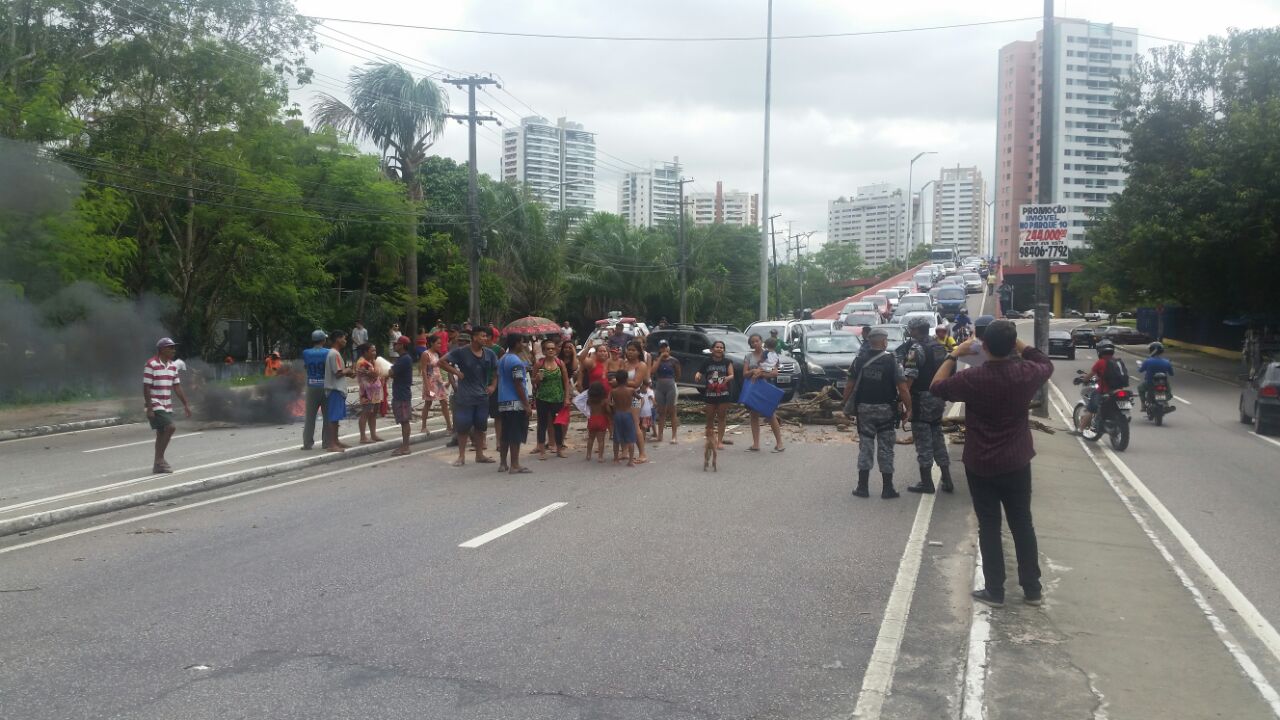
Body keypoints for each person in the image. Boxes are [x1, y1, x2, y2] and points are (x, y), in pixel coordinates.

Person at [931, 320, 1054, 607]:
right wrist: (1017, 343)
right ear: (1012, 346)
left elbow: (936, 387)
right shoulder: (1026, 373)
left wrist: (953, 354)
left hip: (981, 461)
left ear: (983, 346)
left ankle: (995, 590)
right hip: (1017, 459)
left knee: (989, 524)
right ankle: (1032, 588)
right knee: (1022, 522)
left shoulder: (973, 378)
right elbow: (1044, 361)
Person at [842, 326, 910, 498]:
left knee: (866, 446)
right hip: (886, 410)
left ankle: (862, 487)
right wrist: (909, 408)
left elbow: (849, 385)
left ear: (870, 342)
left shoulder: (859, 360)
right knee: (886, 449)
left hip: (864, 410)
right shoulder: (892, 361)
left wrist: (844, 405)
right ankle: (887, 488)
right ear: (884, 342)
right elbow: (902, 387)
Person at [897, 317, 954, 494]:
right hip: (938, 397)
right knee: (937, 436)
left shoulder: (916, 349)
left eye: (911, 329)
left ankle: (926, 483)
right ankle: (947, 478)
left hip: (921, 399)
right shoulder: (939, 347)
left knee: (923, 441)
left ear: (916, 331)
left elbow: (910, 377)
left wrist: (903, 400)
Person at [438, 327, 498, 467]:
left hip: (482, 396)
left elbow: (496, 370)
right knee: (463, 427)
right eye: (483, 336)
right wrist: (455, 372)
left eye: (486, 336)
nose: (485, 338)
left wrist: (493, 386)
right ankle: (461, 456)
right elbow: (441, 362)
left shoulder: (489, 354)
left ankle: (479, 455)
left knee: (480, 427)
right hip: (465, 397)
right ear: (475, 337)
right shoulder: (461, 352)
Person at [143, 337, 191, 473]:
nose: (173, 350)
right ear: (162, 349)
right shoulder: (151, 364)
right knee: (171, 427)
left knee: (161, 432)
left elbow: (177, 387)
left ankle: (157, 465)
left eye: (174, 347)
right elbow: (146, 387)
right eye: (171, 348)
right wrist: (149, 408)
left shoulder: (172, 366)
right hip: (155, 402)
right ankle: (160, 460)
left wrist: (186, 404)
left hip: (167, 403)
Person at [496, 333, 532, 474]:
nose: (524, 345)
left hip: (503, 401)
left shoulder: (503, 359)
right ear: (517, 343)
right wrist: (526, 404)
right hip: (515, 402)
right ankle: (515, 464)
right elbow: (518, 384)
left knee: (505, 434)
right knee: (515, 435)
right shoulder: (516, 362)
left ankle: (503, 463)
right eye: (522, 342)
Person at [532, 338, 572, 459]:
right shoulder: (539, 363)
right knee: (542, 424)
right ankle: (542, 451)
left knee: (557, 424)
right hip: (542, 398)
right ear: (544, 351)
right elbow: (533, 381)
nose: (550, 350)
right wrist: (537, 379)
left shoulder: (560, 363)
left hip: (557, 398)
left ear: (555, 350)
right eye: (548, 349)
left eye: (552, 348)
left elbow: (566, 381)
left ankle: (559, 449)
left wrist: (566, 397)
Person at [744, 333, 785, 453]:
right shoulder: (748, 356)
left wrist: (761, 373)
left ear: (761, 342)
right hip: (753, 388)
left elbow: (775, 373)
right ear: (750, 344)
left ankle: (780, 444)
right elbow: (744, 374)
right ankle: (756, 444)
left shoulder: (771, 355)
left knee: (770, 414)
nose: (755, 343)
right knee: (753, 415)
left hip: (766, 386)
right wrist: (753, 370)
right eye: (753, 342)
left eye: (757, 341)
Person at [1074, 339, 1125, 434]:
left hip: (1104, 390)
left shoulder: (1100, 362)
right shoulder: (1118, 361)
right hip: (1119, 390)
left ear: (1100, 351)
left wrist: (1082, 379)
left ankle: (1080, 430)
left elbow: (1089, 375)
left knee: (1091, 408)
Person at [695, 340, 734, 450]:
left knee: (722, 417)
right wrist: (697, 375)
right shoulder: (707, 362)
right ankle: (710, 440)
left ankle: (720, 441)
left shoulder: (727, 362)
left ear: (724, 350)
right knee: (709, 418)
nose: (719, 349)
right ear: (712, 349)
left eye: (721, 347)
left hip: (724, 393)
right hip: (710, 393)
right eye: (717, 347)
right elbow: (699, 372)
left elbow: (732, 375)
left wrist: (727, 378)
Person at [323, 330, 355, 453]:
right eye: (344, 338)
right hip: (335, 389)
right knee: (333, 417)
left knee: (336, 417)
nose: (345, 341)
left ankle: (336, 441)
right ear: (337, 339)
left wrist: (348, 373)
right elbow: (338, 373)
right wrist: (347, 371)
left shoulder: (334, 353)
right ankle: (332, 444)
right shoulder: (334, 354)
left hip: (337, 389)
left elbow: (339, 373)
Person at [622, 340, 651, 463]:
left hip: (636, 397)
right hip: (623, 397)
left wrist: (620, 381)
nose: (630, 352)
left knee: (635, 424)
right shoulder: (624, 364)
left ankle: (643, 454)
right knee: (624, 423)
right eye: (628, 349)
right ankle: (625, 451)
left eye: (633, 350)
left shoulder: (641, 365)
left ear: (639, 352)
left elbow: (636, 383)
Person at [419, 333, 452, 437]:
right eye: (438, 343)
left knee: (444, 403)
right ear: (432, 343)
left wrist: (445, 381)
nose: (440, 345)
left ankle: (449, 426)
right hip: (430, 382)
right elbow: (423, 370)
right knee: (428, 403)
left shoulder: (437, 354)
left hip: (438, 382)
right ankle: (423, 426)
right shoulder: (426, 354)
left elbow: (440, 368)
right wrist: (427, 386)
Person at [301, 330, 329, 450]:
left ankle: (307, 443)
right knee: (327, 416)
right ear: (323, 340)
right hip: (325, 385)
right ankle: (326, 442)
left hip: (311, 386)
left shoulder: (306, 352)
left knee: (310, 417)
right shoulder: (328, 352)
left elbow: (306, 367)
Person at [650, 340, 681, 444]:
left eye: (665, 347)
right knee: (661, 411)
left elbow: (678, 374)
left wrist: (673, 382)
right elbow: (652, 371)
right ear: (659, 349)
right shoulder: (656, 359)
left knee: (672, 411)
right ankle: (660, 435)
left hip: (670, 385)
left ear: (669, 348)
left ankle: (674, 436)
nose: (664, 349)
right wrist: (660, 358)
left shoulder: (674, 361)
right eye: (662, 348)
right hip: (659, 386)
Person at [389, 335, 415, 455]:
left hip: (402, 394)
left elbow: (392, 372)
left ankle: (405, 447)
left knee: (404, 421)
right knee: (403, 420)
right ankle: (405, 445)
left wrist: (388, 370)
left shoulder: (404, 359)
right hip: (400, 392)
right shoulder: (402, 358)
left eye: (397, 344)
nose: (395, 345)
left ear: (402, 345)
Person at [354, 342, 384, 444]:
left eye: (375, 350)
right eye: (372, 351)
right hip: (367, 392)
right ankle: (363, 437)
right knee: (366, 413)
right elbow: (376, 373)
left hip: (375, 391)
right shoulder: (362, 363)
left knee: (373, 413)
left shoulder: (372, 361)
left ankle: (373, 435)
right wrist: (379, 369)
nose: (374, 353)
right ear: (365, 352)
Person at [610, 370, 639, 466]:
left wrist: (613, 407)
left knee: (616, 438)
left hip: (618, 414)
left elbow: (609, 402)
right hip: (627, 414)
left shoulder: (613, 391)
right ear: (627, 379)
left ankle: (615, 458)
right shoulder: (631, 390)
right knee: (631, 438)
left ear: (616, 380)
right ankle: (630, 461)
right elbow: (639, 397)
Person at [1137, 341, 1174, 410]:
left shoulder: (1148, 361)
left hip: (1150, 383)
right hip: (1164, 384)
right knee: (1168, 391)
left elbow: (1140, 370)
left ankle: (1143, 404)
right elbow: (1171, 374)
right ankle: (1165, 402)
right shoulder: (1167, 362)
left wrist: (1140, 366)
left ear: (1153, 350)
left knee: (1140, 388)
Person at [585, 380, 611, 462]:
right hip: (601, 419)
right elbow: (608, 410)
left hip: (592, 419)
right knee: (601, 440)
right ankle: (600, 457)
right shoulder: (604, 401)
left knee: (590, 439)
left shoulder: (589, 401)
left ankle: (588, 454)